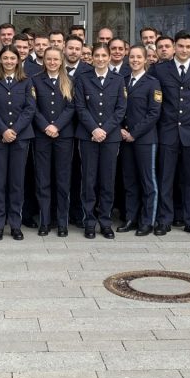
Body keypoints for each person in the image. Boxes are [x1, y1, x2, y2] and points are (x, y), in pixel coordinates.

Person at [154, 31, 190, 236]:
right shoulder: (160, 70)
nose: (185, 50)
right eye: (181, 46)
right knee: (166, 178)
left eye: (189, 47)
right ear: (174, 46)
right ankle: (164, 220)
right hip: (167, 131)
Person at [74, 44, 126, 239]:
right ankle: (89, 222)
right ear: (92, 58)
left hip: (110, 137)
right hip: (88, 136)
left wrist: (104, 129)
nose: (101, 58)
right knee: (88, 180)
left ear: (109, 57)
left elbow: (121, 109)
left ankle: (105, 222)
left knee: (107, 180)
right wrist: (94, 129)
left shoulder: (118, 79)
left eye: (105, 55)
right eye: (97, 55)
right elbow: (80, 107)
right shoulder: (83, 79)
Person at [0, 46, 35, 241]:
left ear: (18, 60)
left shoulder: (26, 81)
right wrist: (3, 130)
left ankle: (15, 224)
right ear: (0, 60)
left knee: (16, 183)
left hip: (20, 138)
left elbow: (30, 109)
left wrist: (14, 130)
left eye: (13, 58)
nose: (9, 61)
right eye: (5, 58)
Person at [31, 47, 76, 237]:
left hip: (63, 136)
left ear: (61, 60)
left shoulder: (70, 81)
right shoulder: (35, 80)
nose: (52, 62)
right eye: (48, 59)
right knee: (43, 180)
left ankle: (62, 222)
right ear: (44, 60)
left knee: (63, 181)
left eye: (55, 59)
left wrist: (56, 126)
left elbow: (71, 107)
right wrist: (45, 126)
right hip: (42, 136)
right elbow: (32, 108)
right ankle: (45, 221)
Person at [118, 45, 161, 236]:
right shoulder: (123, 81)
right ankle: (131, 218)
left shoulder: (153, 83)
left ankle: (147, 221)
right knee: (130, 181)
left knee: (148, 181)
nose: (134, 60)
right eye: (132, 57)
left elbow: (154, 113)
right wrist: (121, 130)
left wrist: (133, 133)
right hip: (125, 138)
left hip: (144, 139)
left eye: (138, 57)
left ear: (145, 60)